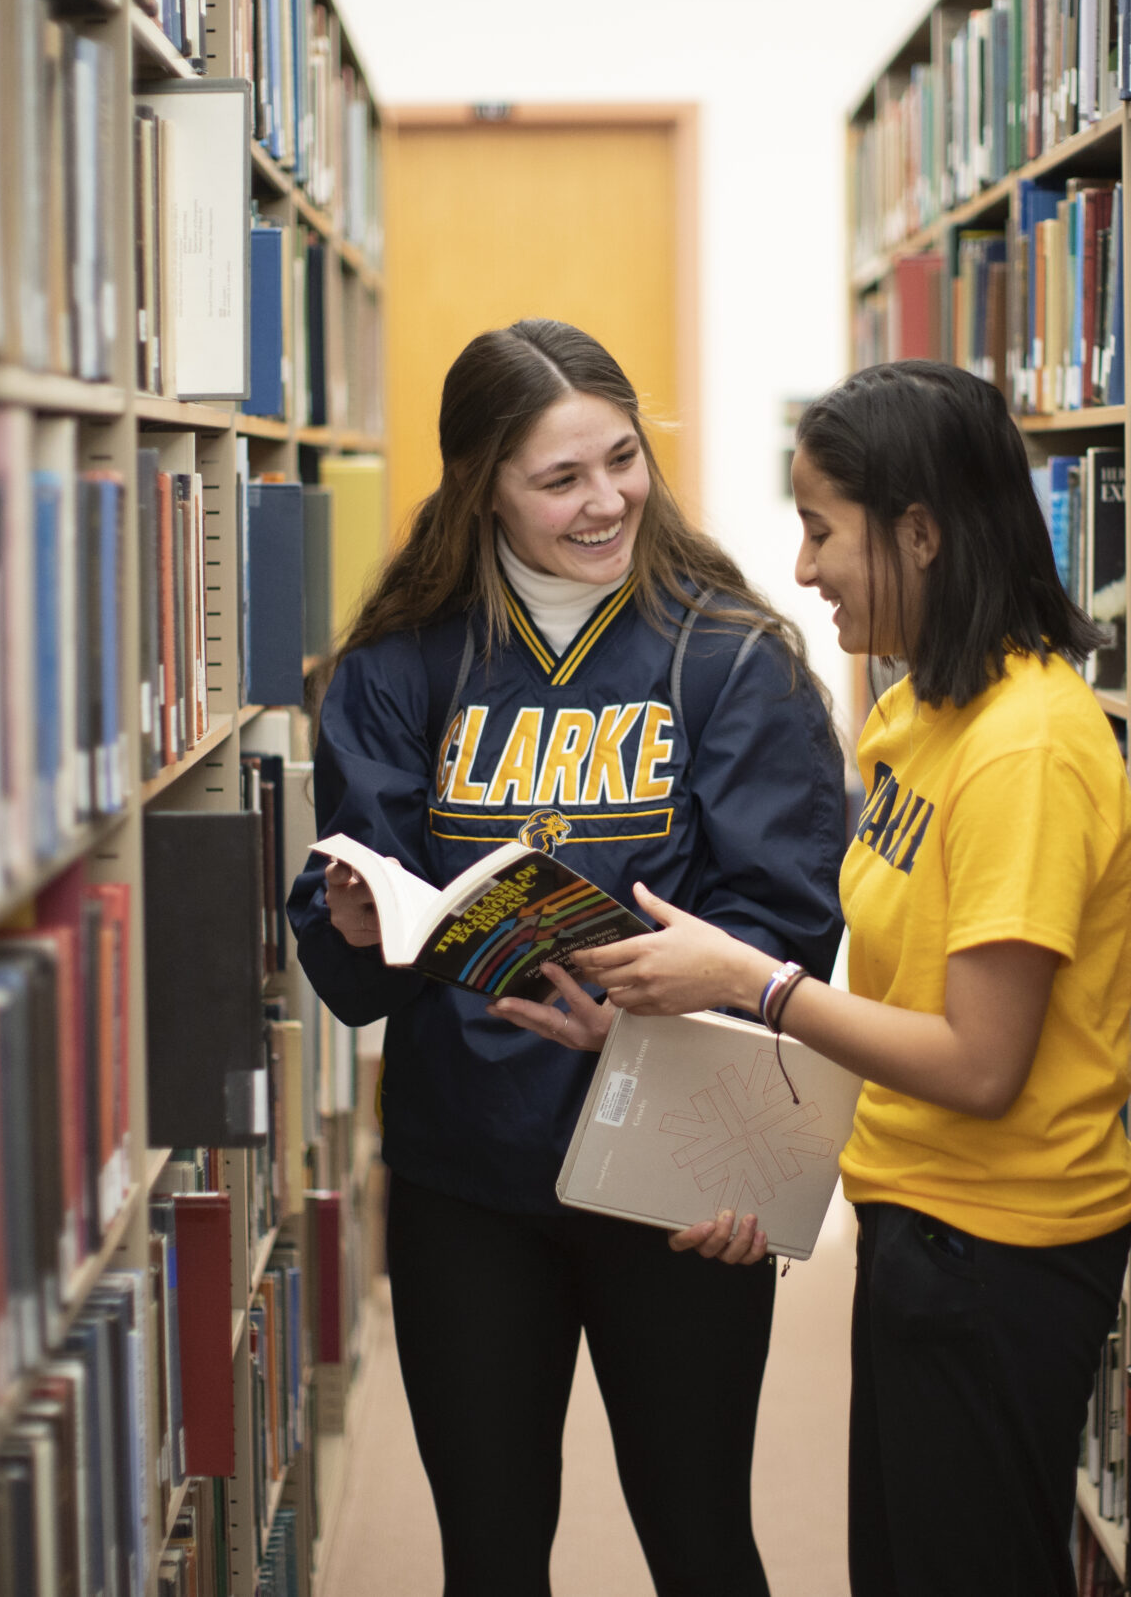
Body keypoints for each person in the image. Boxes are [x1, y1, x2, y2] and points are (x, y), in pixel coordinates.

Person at [533, 359, 1131, 1595]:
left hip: (1003, 1255)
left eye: (821, 530)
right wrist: (660, 1052)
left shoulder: (1026, 748)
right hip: (918, 1227)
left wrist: (745, 977)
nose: (802, 568)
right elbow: (890, 1014)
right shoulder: (920, 714)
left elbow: (978, 1064)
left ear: (919, 534)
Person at [285, 318, 847, 1597]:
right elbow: (357, 946)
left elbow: (783, 934)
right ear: (482, 484)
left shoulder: (727, 657)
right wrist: (358, 919)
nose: (606, 501)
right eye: (560, 479)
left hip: (676, 1174)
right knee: (488, 1552)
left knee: (700, 1538)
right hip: (464, 1176)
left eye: (623, 459)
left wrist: (684, 1078)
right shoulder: (399, 662)